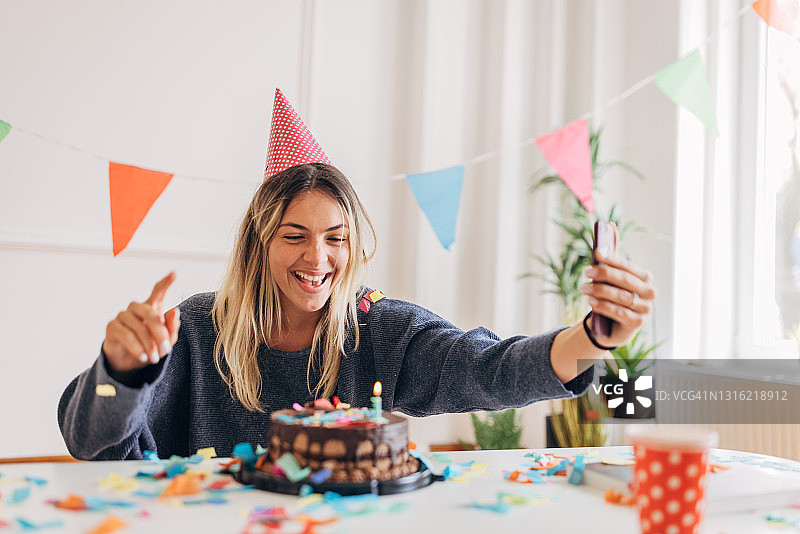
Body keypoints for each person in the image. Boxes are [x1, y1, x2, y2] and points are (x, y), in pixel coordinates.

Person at [58, 163, 657, 460]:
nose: (317, 258)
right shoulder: (195, 330)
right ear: (259, 243)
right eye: (295, 236)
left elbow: (487, 368)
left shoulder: (376, 331)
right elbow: (92, 442)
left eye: (335, 238)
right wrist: (121, 372)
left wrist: (593, 338)